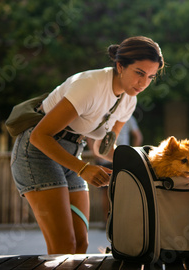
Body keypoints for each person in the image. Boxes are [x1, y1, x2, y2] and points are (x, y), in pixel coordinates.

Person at [10, 36, 164, 254]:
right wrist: (82, 168)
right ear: (120, 66)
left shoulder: (129, 99)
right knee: (63, 246)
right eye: (139, 73)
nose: (144, 83)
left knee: (81, 244)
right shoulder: (90, 85)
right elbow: (39, 136)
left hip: (74, 153)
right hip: (38, 152)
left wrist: (145, 163)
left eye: (151, 77)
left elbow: (102, 148)